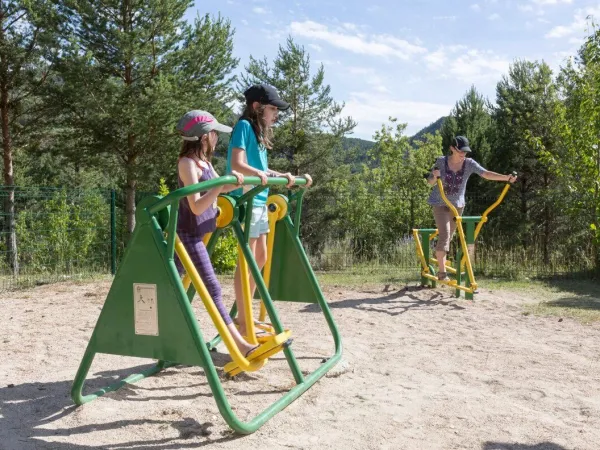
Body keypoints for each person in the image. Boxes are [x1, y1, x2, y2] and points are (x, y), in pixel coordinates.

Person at [226, 84, 312, 339]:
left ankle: (245, 313)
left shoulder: (259, 133)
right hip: (247, 199)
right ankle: (242, 317)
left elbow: (259, 167)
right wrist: (261, 174)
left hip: (260, 200)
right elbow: (237, 164)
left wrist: (280, 175)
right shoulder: (243, 126)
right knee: (248, 260)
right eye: (273, 108)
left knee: (260, 257)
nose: (276, 114)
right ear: (257, 107)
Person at [174, 109, 262, 357]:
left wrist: (233, 184)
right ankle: (240, 346)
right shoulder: (187, 164)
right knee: (213, 288)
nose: (216, 137)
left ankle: (176, 335)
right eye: (214, 133)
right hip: (187, 236)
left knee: (171, 287)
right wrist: (218, 186)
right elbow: (197, 205)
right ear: (204, 136)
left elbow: (215, 191)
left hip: (200, 233)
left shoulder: (205, 162)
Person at [427, 135, 517, 281]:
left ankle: (439, 255)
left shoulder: (469, 163)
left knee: (448, 237)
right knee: (445, 234)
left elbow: (486, 174)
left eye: (465, 152)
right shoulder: (441, 161)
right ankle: (442, 273)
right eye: (460, 151)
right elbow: (430, 182)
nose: (463, 154)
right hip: (440, 202)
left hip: (457, 205)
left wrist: (506, 178)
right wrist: (434, 176)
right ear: (452, 149)